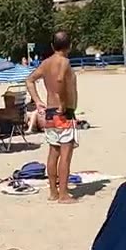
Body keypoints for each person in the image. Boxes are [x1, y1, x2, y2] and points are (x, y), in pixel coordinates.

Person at [26, 30, 79, 203]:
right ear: (69, 46)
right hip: (63, 113)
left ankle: (53, 192)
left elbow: (29, 80)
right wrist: (63, 102)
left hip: (49, 113)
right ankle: (63, 194)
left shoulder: (46, 63)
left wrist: (37, 100)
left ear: (52, 46)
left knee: (53, 152)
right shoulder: (64, 62)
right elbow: (60, 80)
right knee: (65, 153)